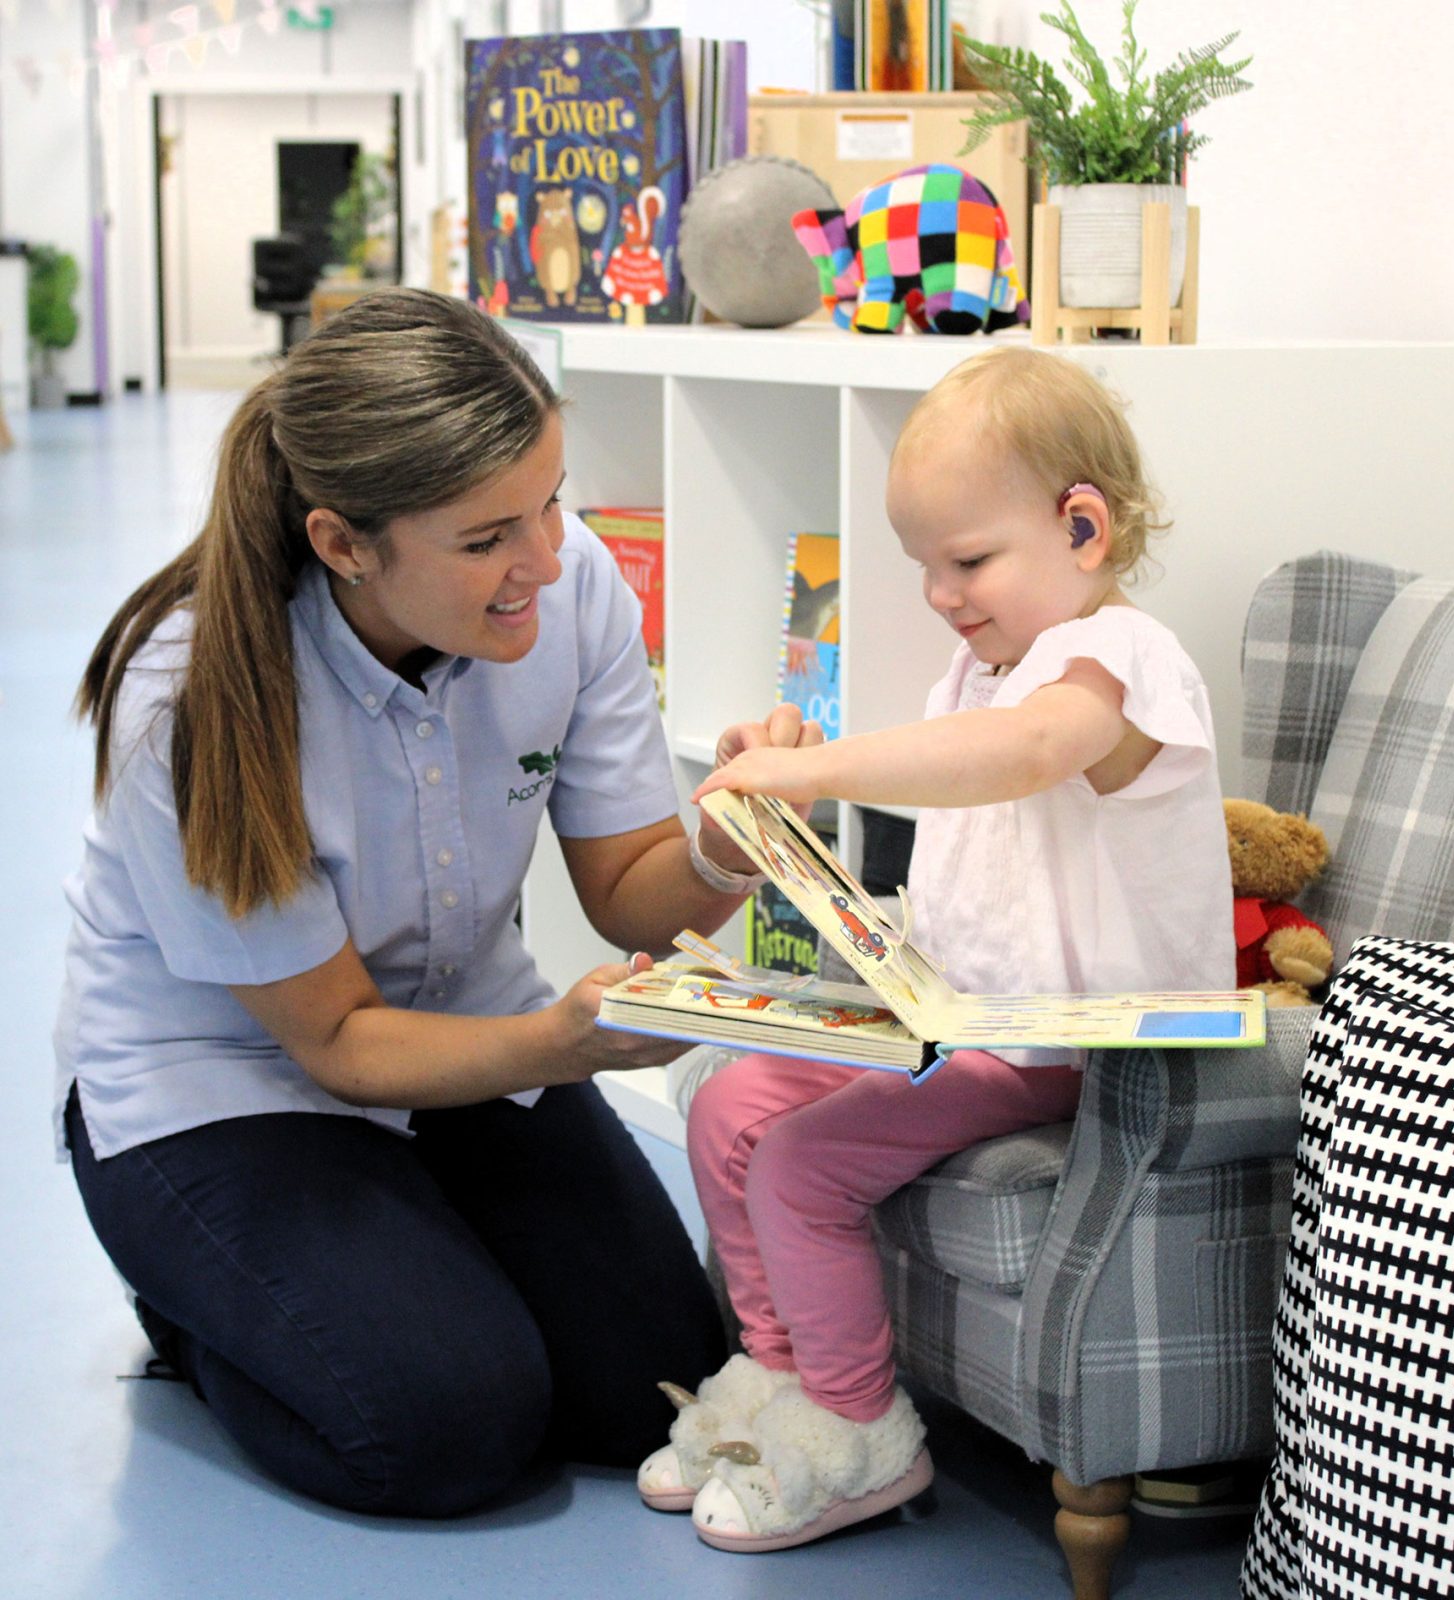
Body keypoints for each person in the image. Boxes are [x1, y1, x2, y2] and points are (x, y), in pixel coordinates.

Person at [56, 288, 816, 1518]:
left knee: (656, 1390)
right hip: (226, 1082)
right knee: (444, 1428)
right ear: (344, 543)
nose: (547, 559)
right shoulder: (191, 696)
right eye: (486, 540)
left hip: (460, 1035)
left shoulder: (574, 599)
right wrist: (564, 1044)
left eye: (551, 502)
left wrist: (734, 845)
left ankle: (389, 1257)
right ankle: (197, 1313)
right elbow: (339, 1042)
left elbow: (629, 894)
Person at [634, 346, 1235, 1552]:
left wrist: (813, 767)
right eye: (924, 567)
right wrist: (792, 748)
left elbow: (1020, 755)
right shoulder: (993, 662)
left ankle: (858, 1432)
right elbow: (950, 766)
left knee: (802, 1161)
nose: (942, 595)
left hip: (1071, 1043)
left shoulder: (1119, 658)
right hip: (960, 1016)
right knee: (725, 1104)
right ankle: (782, 1380)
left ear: (1082, 526)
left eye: (966, 561)